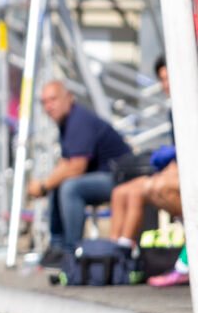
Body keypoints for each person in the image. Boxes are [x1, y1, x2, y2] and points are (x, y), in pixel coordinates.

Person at [28, 80, 131, 259]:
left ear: (69, 98)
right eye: (44, 102)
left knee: (70, 187)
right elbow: (65, 163)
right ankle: (57, 245)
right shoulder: (65, 122)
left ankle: (71, 250)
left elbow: (77, 166)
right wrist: (48, 183)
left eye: (53, 100)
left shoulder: (79, 120)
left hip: (121, 178)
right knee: (59, 183)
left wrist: (44, 185)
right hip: (103, 176)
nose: (48, 106)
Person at [107, 57, 181, 255]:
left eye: (170, 77)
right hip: (177, 171)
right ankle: (117, 251)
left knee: (153, 187)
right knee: (121, 192)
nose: (166, 84)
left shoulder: (190, 105)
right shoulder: (173, 111)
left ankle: (189, 242)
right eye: (163, 79)